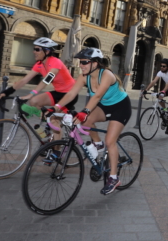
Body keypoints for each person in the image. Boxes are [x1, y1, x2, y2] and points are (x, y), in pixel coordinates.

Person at [53, 48, 131, 195]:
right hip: (105, 106)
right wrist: (55, 107)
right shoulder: (84, 76)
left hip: (121, 107)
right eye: (80, 62)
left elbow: (96, 97)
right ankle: (98, 144)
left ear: (95, 63)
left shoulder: (106, 74)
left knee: (110, 141)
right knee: (85, 121)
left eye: (84, 62)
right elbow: (71, 93)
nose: (81, 65)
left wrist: (84, 111)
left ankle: (114, 178)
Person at [0, 37, 78, 139]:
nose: (34, 52)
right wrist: (6, 92)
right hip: (58, 92)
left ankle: (56, 151)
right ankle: (48, 123)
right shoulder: (39, 64)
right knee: (34, 102)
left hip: (70, 94)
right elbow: (24, 80)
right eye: (34, 49)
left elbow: (47, 80)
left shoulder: (55, 62)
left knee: (54, 122)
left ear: (47, 51)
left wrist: (31, 94)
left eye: (37, 49)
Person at [144, 58, 168, 134]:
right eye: (161, 66)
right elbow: (154, 81)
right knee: (159, 97)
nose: (161, 67)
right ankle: (164, 110)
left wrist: (163, 91)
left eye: (164, 66)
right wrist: (146, 89)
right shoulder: (160, 72)